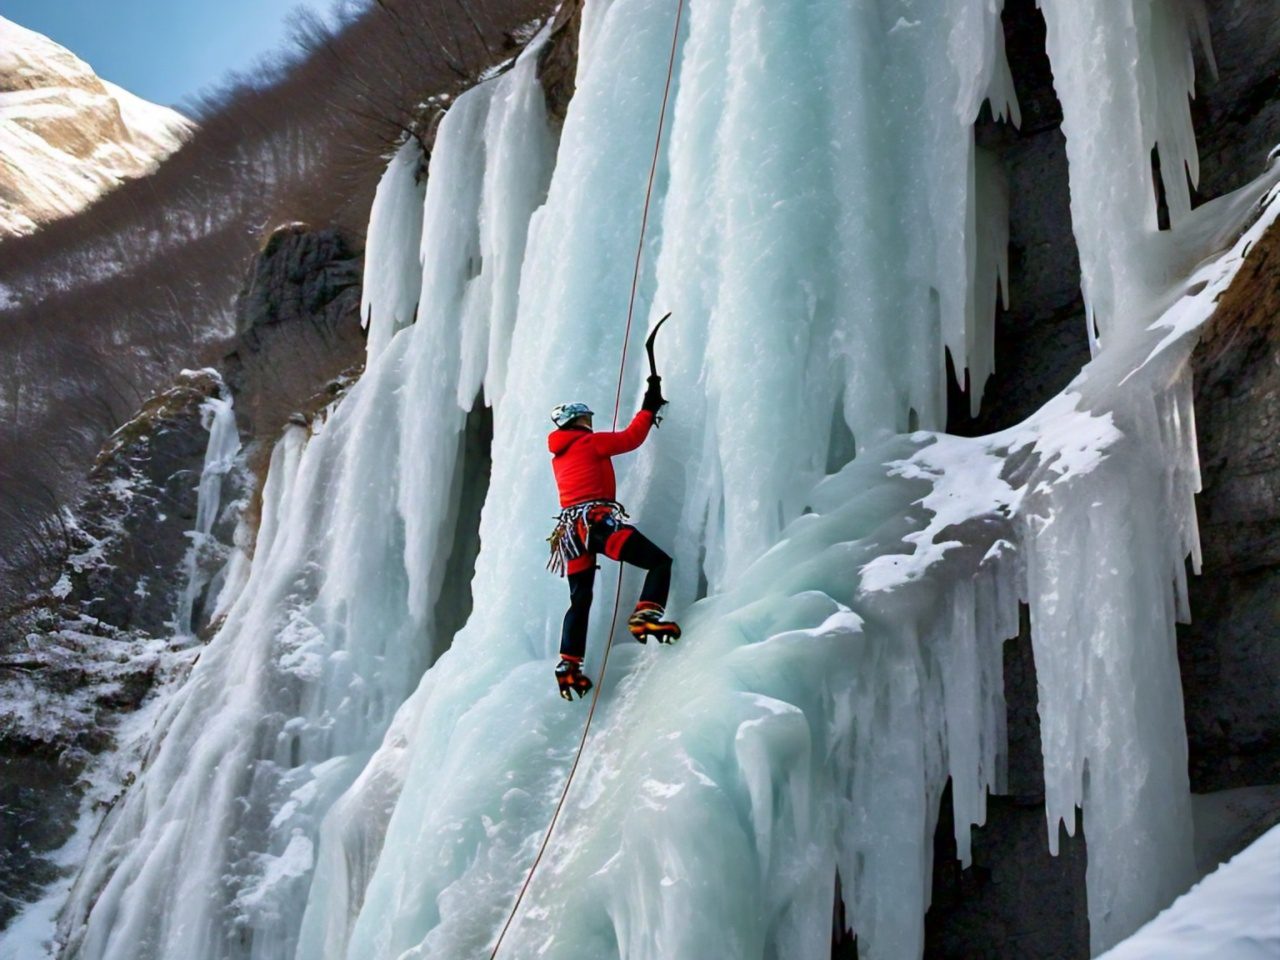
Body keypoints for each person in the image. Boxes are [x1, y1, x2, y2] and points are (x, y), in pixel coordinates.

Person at [546, 375, 680, 701]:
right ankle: (645, 615)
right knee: (658, 562)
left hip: (570, 535)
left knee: (580, 600)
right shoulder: (588, 443)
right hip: (596, 525)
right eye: (586, 418)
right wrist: (649, 407)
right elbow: (631, 439)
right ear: (577, 422)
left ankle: (568, 666)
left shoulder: (560, 456)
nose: (590, 423)